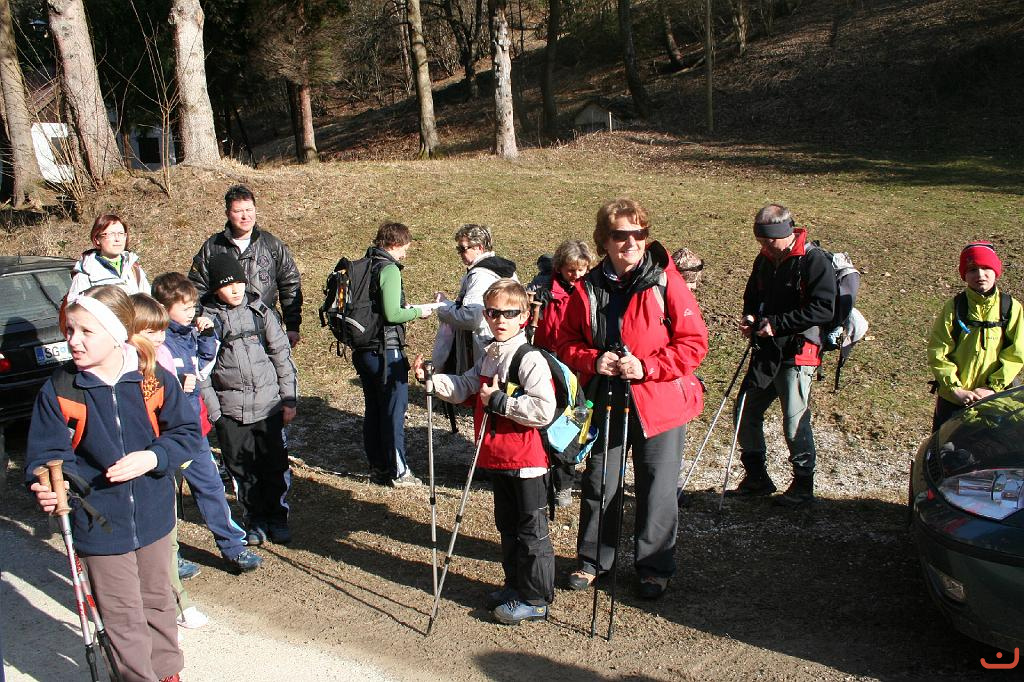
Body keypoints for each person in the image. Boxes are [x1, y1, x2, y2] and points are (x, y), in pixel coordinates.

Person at [26, 285, 197, 682]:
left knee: (158, 602)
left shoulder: (152, 378)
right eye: (70, 330)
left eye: (86, 331)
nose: (73, 341)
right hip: (97, 522)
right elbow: (45, 455)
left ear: (117, 332)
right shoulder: (61, 389)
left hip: (154, 515)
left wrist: (153, 457)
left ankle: (167, 673)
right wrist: (48, 485)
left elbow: (186, 433)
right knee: (122, 616)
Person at [557, 199, 708, 600]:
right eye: (620, 235)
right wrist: (593, 359)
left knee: (657, 487)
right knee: (599, 481)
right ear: (603, 241)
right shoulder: (587, 287)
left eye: (639, 233)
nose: (631, 242)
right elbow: (566, 343)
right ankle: (593, 561)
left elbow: (694, 344)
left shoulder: (666, 282)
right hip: (606, 398)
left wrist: (647, 367)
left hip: (659, 402)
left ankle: (654, 568)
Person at [414, 279, 557, 625]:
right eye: (493, 313)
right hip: (497, 456)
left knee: (531, 532)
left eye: (509, 313)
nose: (500, 320)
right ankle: (515, 586)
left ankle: (536, 599)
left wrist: (500, 401)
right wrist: (431, 380)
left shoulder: (529, 358)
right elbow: (465, 385)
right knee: (507, 527)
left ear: (523, 316)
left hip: (527, 461)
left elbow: (544, 410)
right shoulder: (491, 353)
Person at [149, 273, 264, 575]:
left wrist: (207, 336)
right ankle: (167, 558)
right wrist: (174, 384)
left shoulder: (188, 334)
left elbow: (202, 367)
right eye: (185, 307)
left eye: (193, 306)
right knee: (163, 498)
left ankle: (233, 548)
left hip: (191, 430)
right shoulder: (154, 340)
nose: (192, 312)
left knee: (211, 486)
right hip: (162, 435)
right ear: (163, 308)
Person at [726, 203, 836, 507]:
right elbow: (752, 295)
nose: (764, 246)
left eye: (769, 240)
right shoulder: (764, 259)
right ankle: (756, 478)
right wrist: (750, 317)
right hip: (766, 350)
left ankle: (803, 485)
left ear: (786, 233)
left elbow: (823, 309)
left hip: (798, 352)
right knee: (745, 411)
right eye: (760, 240)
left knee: (793, 421)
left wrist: (777, 324)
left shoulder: (814, 261)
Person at [199, 254, 298, 546]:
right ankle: (254, 520)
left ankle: (277, 517)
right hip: (231, 413)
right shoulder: (207, 323)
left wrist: (289, 399)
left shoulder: (261, 312)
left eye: (239, 283)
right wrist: (216, 413)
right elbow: (201, 372)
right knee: (243, 472)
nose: (235, 289)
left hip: (269, 407)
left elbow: (282, 356)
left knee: (274, 468)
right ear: (215, 288)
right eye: (227, 285)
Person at [353, 222, 433, 487]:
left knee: (374, 410)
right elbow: (392, 314)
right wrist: (418, 311)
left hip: (363, 350)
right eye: (404, 248)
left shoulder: (365, 264)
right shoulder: (388, 269)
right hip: (386, 351)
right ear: (395, 244)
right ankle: (399, 471)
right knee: (394, 412)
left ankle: (378, 467)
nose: (405, 254)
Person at [189, 184, 303, 348]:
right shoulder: (212, 247)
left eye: (249, 210)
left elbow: (290, 283)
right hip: (226, 331)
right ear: (228, 214)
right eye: (238, 211)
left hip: (266, 328)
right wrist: (196, 321)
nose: (245, 216)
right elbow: (195, 287)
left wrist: (292, 325)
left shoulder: (271, 244)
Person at [927, 242, 1024, 431]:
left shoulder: (1010, 308)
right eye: (972, 269)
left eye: (986, 268)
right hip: (954, 399)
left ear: (996, 271)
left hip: (997, 399)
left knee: (991, 446)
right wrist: (955, 389)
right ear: (964, 274)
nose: (980, 275)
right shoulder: (954, 307)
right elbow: (938, 351)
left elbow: (1016, 353)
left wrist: (993, 388)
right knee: (948, 445)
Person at [530, 239, 595, 508]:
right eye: (571, 270)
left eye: (581, 269)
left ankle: (565, 483)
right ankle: (543, 477)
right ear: (559, 267)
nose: (576, 275)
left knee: (572, 425)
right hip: (548, 364)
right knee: (547, 421)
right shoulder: (542, 287)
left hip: (578, 368)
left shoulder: (591, 289)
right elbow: (524, 318)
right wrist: (534, 306)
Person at [434, 224, 517, 375]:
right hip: (504, 341)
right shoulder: (502, 270)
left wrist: (443, 306)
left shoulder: (480, 275)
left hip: (482, 347)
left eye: (463, 248)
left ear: (479, 247)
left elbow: (471, 317)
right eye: (458, 249)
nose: (460, 253)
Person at [67, 214, 150, 299]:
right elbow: (76, 304)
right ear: (97, 239)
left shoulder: (134, 268)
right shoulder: (87, 270)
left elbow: (148, 302)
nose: (117, 239)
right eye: (111, 234)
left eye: (121, 234)